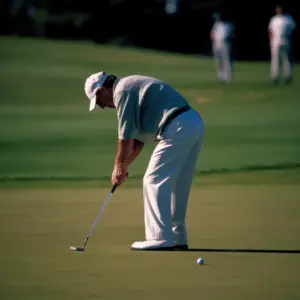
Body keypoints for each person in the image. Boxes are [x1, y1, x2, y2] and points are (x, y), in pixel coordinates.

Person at [84, 72, 205, 251]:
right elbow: (139, 141)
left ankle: (159, 238)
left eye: (99, 102)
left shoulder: (122, 91)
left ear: (102, 90)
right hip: (192, 122)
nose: (103, 107)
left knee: (153, 180)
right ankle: (177, 237)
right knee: (178, 184)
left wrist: (118, 166)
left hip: (177, 126)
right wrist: (124, 166)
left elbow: (125, 137)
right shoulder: (131, 88)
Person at [268, 4, 296, 84]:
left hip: (286, 41)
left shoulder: (289, 18)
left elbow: (293, 29)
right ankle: (275, 76)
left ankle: (288, 76)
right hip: (275, 42)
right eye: (278, 9)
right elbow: (270, 30)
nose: (279, 10)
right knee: (275, 59)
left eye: (280, 8)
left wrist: (289, 38)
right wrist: (271, 41)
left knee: (286, 59)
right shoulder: (274, 19)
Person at [210, 12, 235, 83]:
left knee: (226, 61)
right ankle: (221, 77)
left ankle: (228, 78)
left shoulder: (229, 25)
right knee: (218, 61)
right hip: (216, 43)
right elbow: (212, 34)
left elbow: (230, 35)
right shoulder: (216, 25)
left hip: (225, 44)